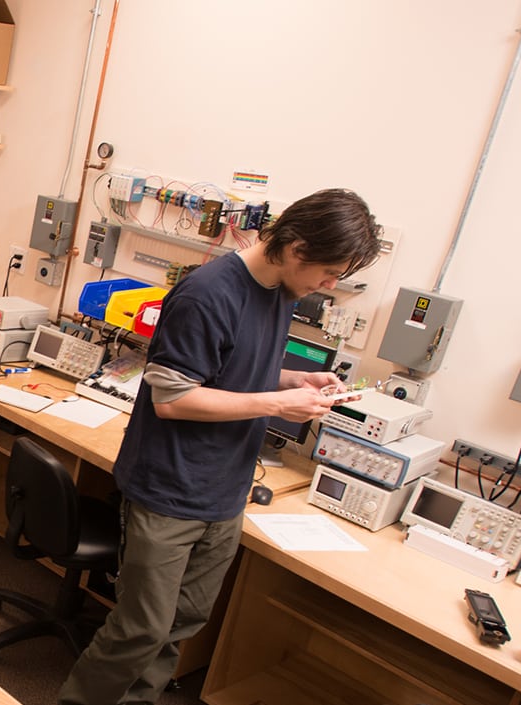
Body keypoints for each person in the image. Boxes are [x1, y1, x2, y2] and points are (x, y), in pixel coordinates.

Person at [57, 188, 384, 704]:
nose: (330, 285)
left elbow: (227, 369)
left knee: (183, 622)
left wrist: (290, 381)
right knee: (139, 629)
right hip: (169, 489)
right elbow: (172, 397)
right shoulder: (207, 294)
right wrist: (277, 407)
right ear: (296, 248)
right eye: (329, 272)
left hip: (224, 491)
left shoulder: (279, 292)